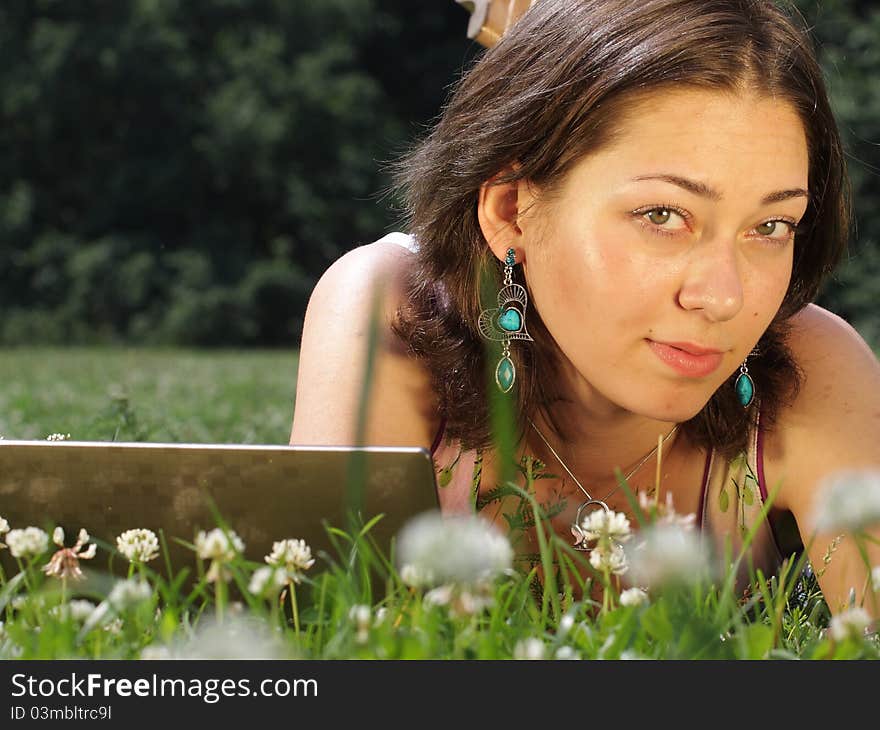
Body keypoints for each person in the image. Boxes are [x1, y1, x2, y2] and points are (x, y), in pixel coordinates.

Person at [290, 0, 880, 616]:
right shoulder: (391, 311)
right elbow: (325, 634)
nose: (724, 296)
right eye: (662, 216)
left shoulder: (810, 369)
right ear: (510, 210)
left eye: (772, 225)